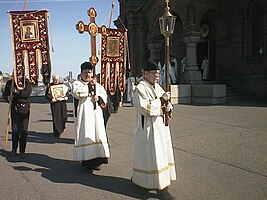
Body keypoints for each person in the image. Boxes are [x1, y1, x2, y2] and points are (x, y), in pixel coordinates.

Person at [131, 60, 176, 200]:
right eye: (154, 73)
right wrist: (162, 101)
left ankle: (143, 181)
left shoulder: (158, 86)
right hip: (149, 130)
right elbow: (145, 108)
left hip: (160, 128)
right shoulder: (140, 88)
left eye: (158, 73)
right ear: (145, 73)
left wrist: (168, 106)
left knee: (159, 155)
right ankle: (162, 189)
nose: (157, 75)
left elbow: (166, 102)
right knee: (152, 157)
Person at [72, 61, 110, 172]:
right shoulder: (77, 84)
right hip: (84, 117)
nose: (88, 75)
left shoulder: (97, 85)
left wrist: (99, 98)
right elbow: (77, 93)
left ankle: (97, 161)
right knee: (86, 135)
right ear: (81, 73)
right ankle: (87, 162)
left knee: (97, 135)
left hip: (96, 116)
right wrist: (90, 87)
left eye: (89, 72)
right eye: (85, 73)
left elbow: (104, 96)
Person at [3, 75, 32, 158]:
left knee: (24, 130)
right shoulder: (10, 83)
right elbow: (5, 94)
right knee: (15, 129)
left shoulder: (26, 82)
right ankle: (14, 148)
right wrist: (8, 98)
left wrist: (16, 91)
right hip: (14, 107)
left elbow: (27, 94)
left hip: (24, 107)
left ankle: (22, 150)